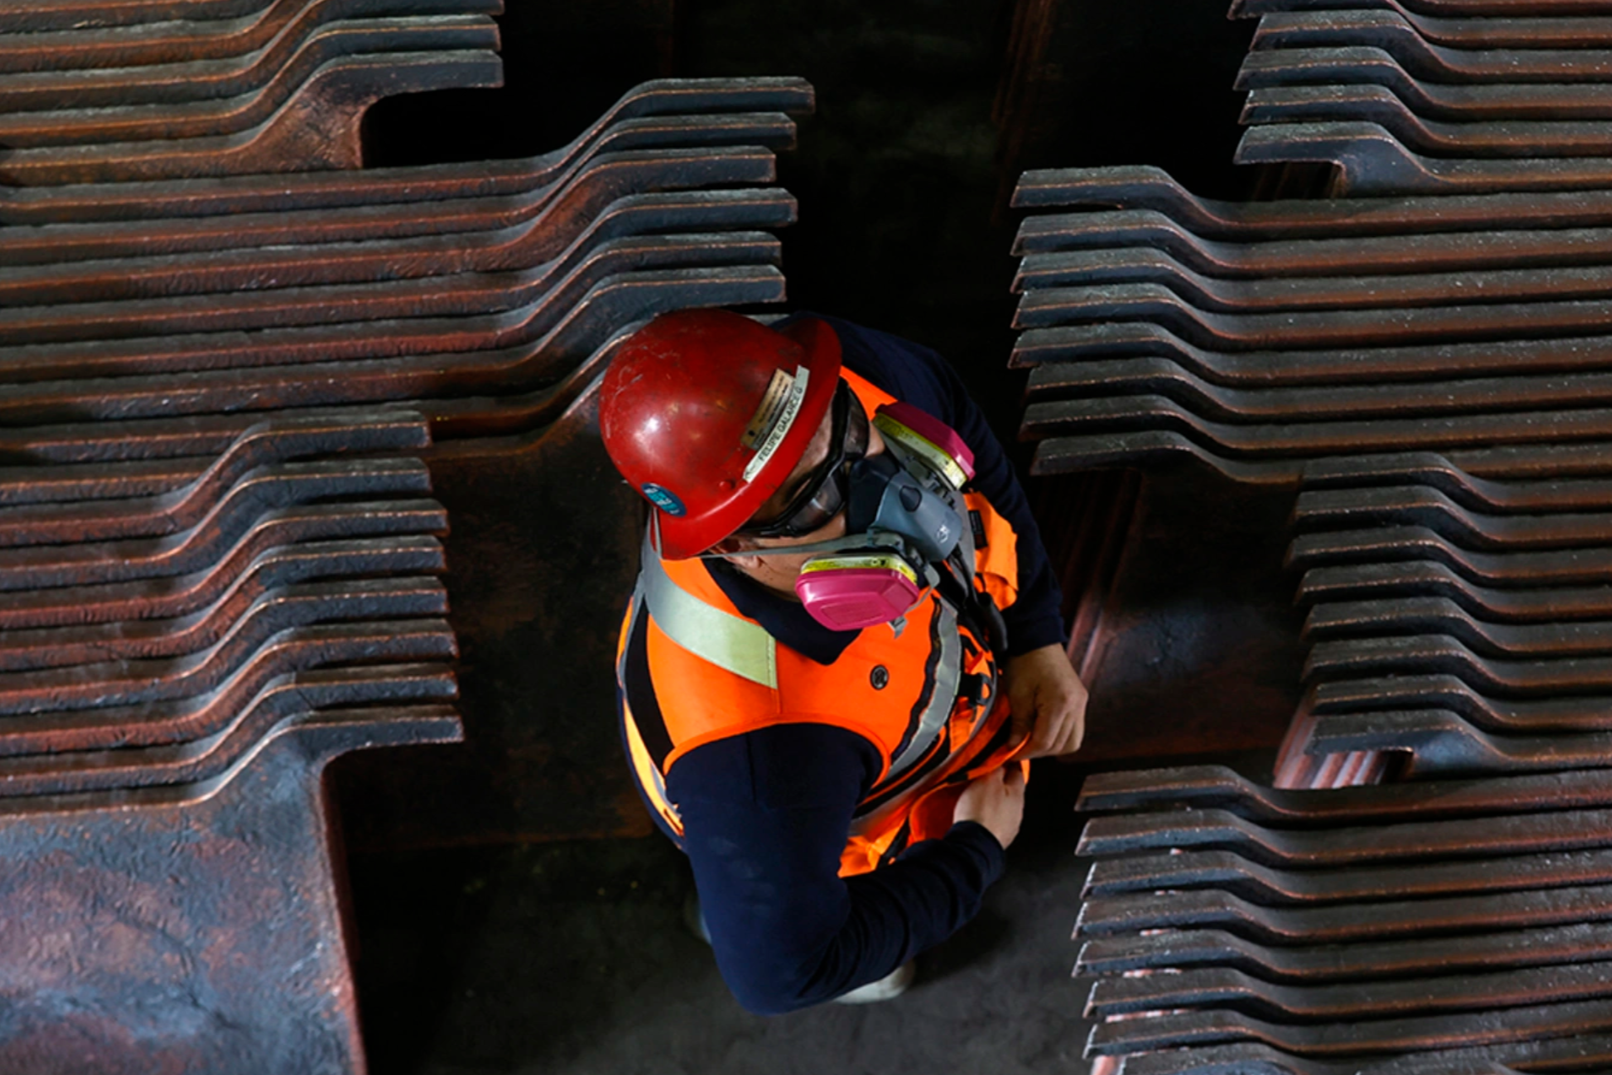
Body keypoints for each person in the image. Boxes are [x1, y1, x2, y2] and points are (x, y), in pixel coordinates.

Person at [599, 308, 1086, 1014]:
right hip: (822, 825)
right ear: (736, 545)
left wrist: (1039, 633)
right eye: (813, 495)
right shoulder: (759, 753)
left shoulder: (839, 373)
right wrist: (972, 851)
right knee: (785, 919)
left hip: (939, 719)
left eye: (848, 435)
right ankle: (743, 907)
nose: (880, 485)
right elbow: (778, 973)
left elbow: (952, 406)